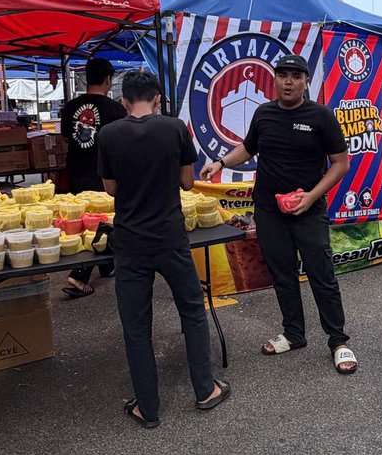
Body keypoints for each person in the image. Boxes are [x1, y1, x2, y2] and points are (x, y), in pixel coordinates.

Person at [201, 53, 358, 374]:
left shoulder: (321, 116)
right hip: (270, 210)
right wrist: (220, 163)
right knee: (282, 274)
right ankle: (294, 333)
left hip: (309, 209)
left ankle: (338, 341)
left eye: (295, 76)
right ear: (274, 80)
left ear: (306, 81)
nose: (288, 81)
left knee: (321, 275)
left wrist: (311, 195)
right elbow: (248, 147)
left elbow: (341, 163)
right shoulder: (264, 113)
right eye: (283, 75)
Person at [98, 69, 230, 427]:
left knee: (137, 325)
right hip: (170, 236)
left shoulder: (108, 133)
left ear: (124, 102)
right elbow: (188, 182)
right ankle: (205, 390)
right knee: (191, 310)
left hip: (130, 241)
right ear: (157, 99)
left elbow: (111, 189)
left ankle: (148, 407)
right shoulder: (174, 128)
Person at [59, 57, 127, 298]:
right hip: (103, 174)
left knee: (83, 222)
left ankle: (107, 265)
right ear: (108, 79)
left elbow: (66, 139)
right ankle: (79, 275)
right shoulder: (116, 110)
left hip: (76, 171)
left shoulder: (69, 107)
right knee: (98, 223)